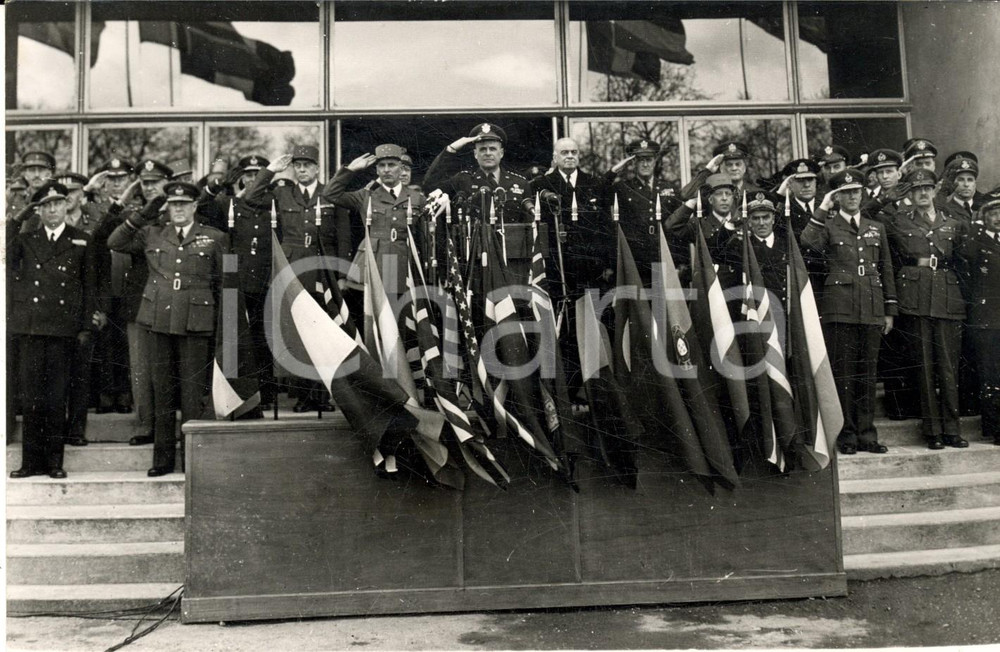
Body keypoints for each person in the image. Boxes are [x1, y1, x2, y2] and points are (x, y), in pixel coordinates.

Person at [107, 181, 226, 476]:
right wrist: (149, 208)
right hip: (158, 320)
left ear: (195, 206)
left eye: (184, 204)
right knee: (162, 391)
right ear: (167, 207)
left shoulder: (214, 237)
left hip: (195, 322)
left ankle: (192, 461)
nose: (179, 209)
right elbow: (115, 241)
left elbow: (224, 282)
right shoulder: (152, 233)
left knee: (191, 395)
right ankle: (162, 460)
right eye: (173, 204)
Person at [801, 169, 897, 455]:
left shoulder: (875, 227)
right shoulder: (828, 226)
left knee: (867, 374)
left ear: (862, 193)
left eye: (856, 191)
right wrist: (822, 208)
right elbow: (807, 242)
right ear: (838, 197)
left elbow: (886, 268)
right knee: (843, 374)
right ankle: (847, 435)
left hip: (871, 307)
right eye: (846, 192)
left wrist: (889, 309)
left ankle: (867, 434)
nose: (852, 196)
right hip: (840, 308)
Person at [8, 181, 98, 479]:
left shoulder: (81, 240)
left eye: (57, 203)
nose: (52, 210)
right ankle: (30, 462)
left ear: (66, 205)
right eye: (45, 205)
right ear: (38, 210)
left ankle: (54, 462)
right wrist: (17, 217)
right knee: (31, 396)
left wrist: (85, 326)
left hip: (63, 329)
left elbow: (89, 287)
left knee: (57, 397)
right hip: (31, 327)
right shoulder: (25, 239)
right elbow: (4, 252)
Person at [882, 169, 970, 450]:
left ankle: (952, 429)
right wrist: (890, 195)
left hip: (947, 299)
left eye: (927, 188)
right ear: (910, 193)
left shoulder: (953, 223)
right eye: (916, 189)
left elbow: (963, 262)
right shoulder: (898, 221)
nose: (922, 193)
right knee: (924, 366)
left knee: (948, 367)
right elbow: (873, 216)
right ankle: (932, 431)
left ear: (935, 191)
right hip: (916, 299)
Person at [245, 145, 337, 413]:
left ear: (317, 168)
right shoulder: (283, 193)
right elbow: (251, 198)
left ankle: (322, 396)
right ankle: (303, 397)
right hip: (292, 269)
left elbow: (342, 234)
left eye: (307, 165)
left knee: (323, 333)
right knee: (297, 333)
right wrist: (270, 170)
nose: (302, 169)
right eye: (298, 165)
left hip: (321, 270)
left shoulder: (329, 193)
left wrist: (338, 275)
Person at [529, 137, 613, 404]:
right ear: (555, 157)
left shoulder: (594, 184)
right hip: (558, 272)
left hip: (590, 271)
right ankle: (566, 391)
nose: (570, 156)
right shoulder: (540, 185)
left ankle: (590, 391)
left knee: (590, 328)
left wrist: (606, 264)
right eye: (564, 152)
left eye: (574, 152)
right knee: (563, 331)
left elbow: (606, 228)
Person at [100, 159, 174, 444]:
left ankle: (171, 426)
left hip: (173, 300)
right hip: (140, 301)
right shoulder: (138, 217)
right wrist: (138, 208)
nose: (150, 187)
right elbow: (111, 240)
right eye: (145, 183)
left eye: (155, 182)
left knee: (171, 369)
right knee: (141, 369)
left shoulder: (181, 211)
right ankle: (146, 426)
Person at [199, 155, 279, 411]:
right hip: (238, 281)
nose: (252, 179)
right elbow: (202, 207)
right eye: (248, 174)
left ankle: (266, 393)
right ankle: (239, 393)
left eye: (257, 174)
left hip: (266, 280)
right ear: (241, 178)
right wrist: (218, 184)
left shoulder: (273, 202)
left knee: (263, 339)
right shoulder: (229, 203)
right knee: (237, 339)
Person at [425, 123, 537, 281]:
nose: (488, 153)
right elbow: (430, 185)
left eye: (492, 149)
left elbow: (528, 225)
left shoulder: (519, 183)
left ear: (501, 153)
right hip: (474, 263)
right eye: (483, 149)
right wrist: (451, 150)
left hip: (512, 262)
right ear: (475, 154)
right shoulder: (463, 180)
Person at [322, 143, 427, 299]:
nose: (386, 170)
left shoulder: (417, 198)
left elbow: (423, 238)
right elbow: (330, 194)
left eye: (391, 165)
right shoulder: (365, 196)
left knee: (400, 310)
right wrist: (350, 170)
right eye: (382, 166)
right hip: (374, 263)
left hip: (404, 266)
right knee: (374, 311)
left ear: (401, 168)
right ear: (377, 170)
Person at [86, 158, 138, 416]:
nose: (117, 184)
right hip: (105, 285)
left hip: (130, 285)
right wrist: (88, 191)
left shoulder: (138, 208)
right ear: (103, 183)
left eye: (122, 179)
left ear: (130, 181)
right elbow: (94, 237)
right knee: (105, 343)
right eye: (111, 179)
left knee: (128, 344)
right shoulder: (94, 209)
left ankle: (126, 396)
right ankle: (106, 397)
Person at [609, 139, 683, 283]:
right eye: (640, 160)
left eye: (648, 159)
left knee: (662, 296)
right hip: (634, 258)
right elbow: (600, 195)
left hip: (664, 255)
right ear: (633, 163)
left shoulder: (669, 188)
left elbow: (678, 227)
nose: (645, 164)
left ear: (655, 161)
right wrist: (613, 172)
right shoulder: (622, 189)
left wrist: (680, 261)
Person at [959, 188, 1000, 444]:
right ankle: (995, 427)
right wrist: (975, 229)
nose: (998, 218)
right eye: (993, 213)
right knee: (990, 374)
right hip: (986, 319)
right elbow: (966, 257)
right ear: (984, 217)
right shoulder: (976, 242)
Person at [721, 194, 788, 307]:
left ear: (773, 219)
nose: (761, 223)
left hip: (784, 308)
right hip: (756, 309)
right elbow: (714, 252)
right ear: (749, 222)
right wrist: (732, 223)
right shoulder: (740, 247)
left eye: (766, 217)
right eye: (756, 218)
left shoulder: (786, 244)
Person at [773, 159, 822, 237]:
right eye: (800, 180)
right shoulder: (784, 212)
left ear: (816, 182)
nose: (806, 185)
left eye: (810, 179)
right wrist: (780, 196)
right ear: (790, 184)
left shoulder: (826, 205)